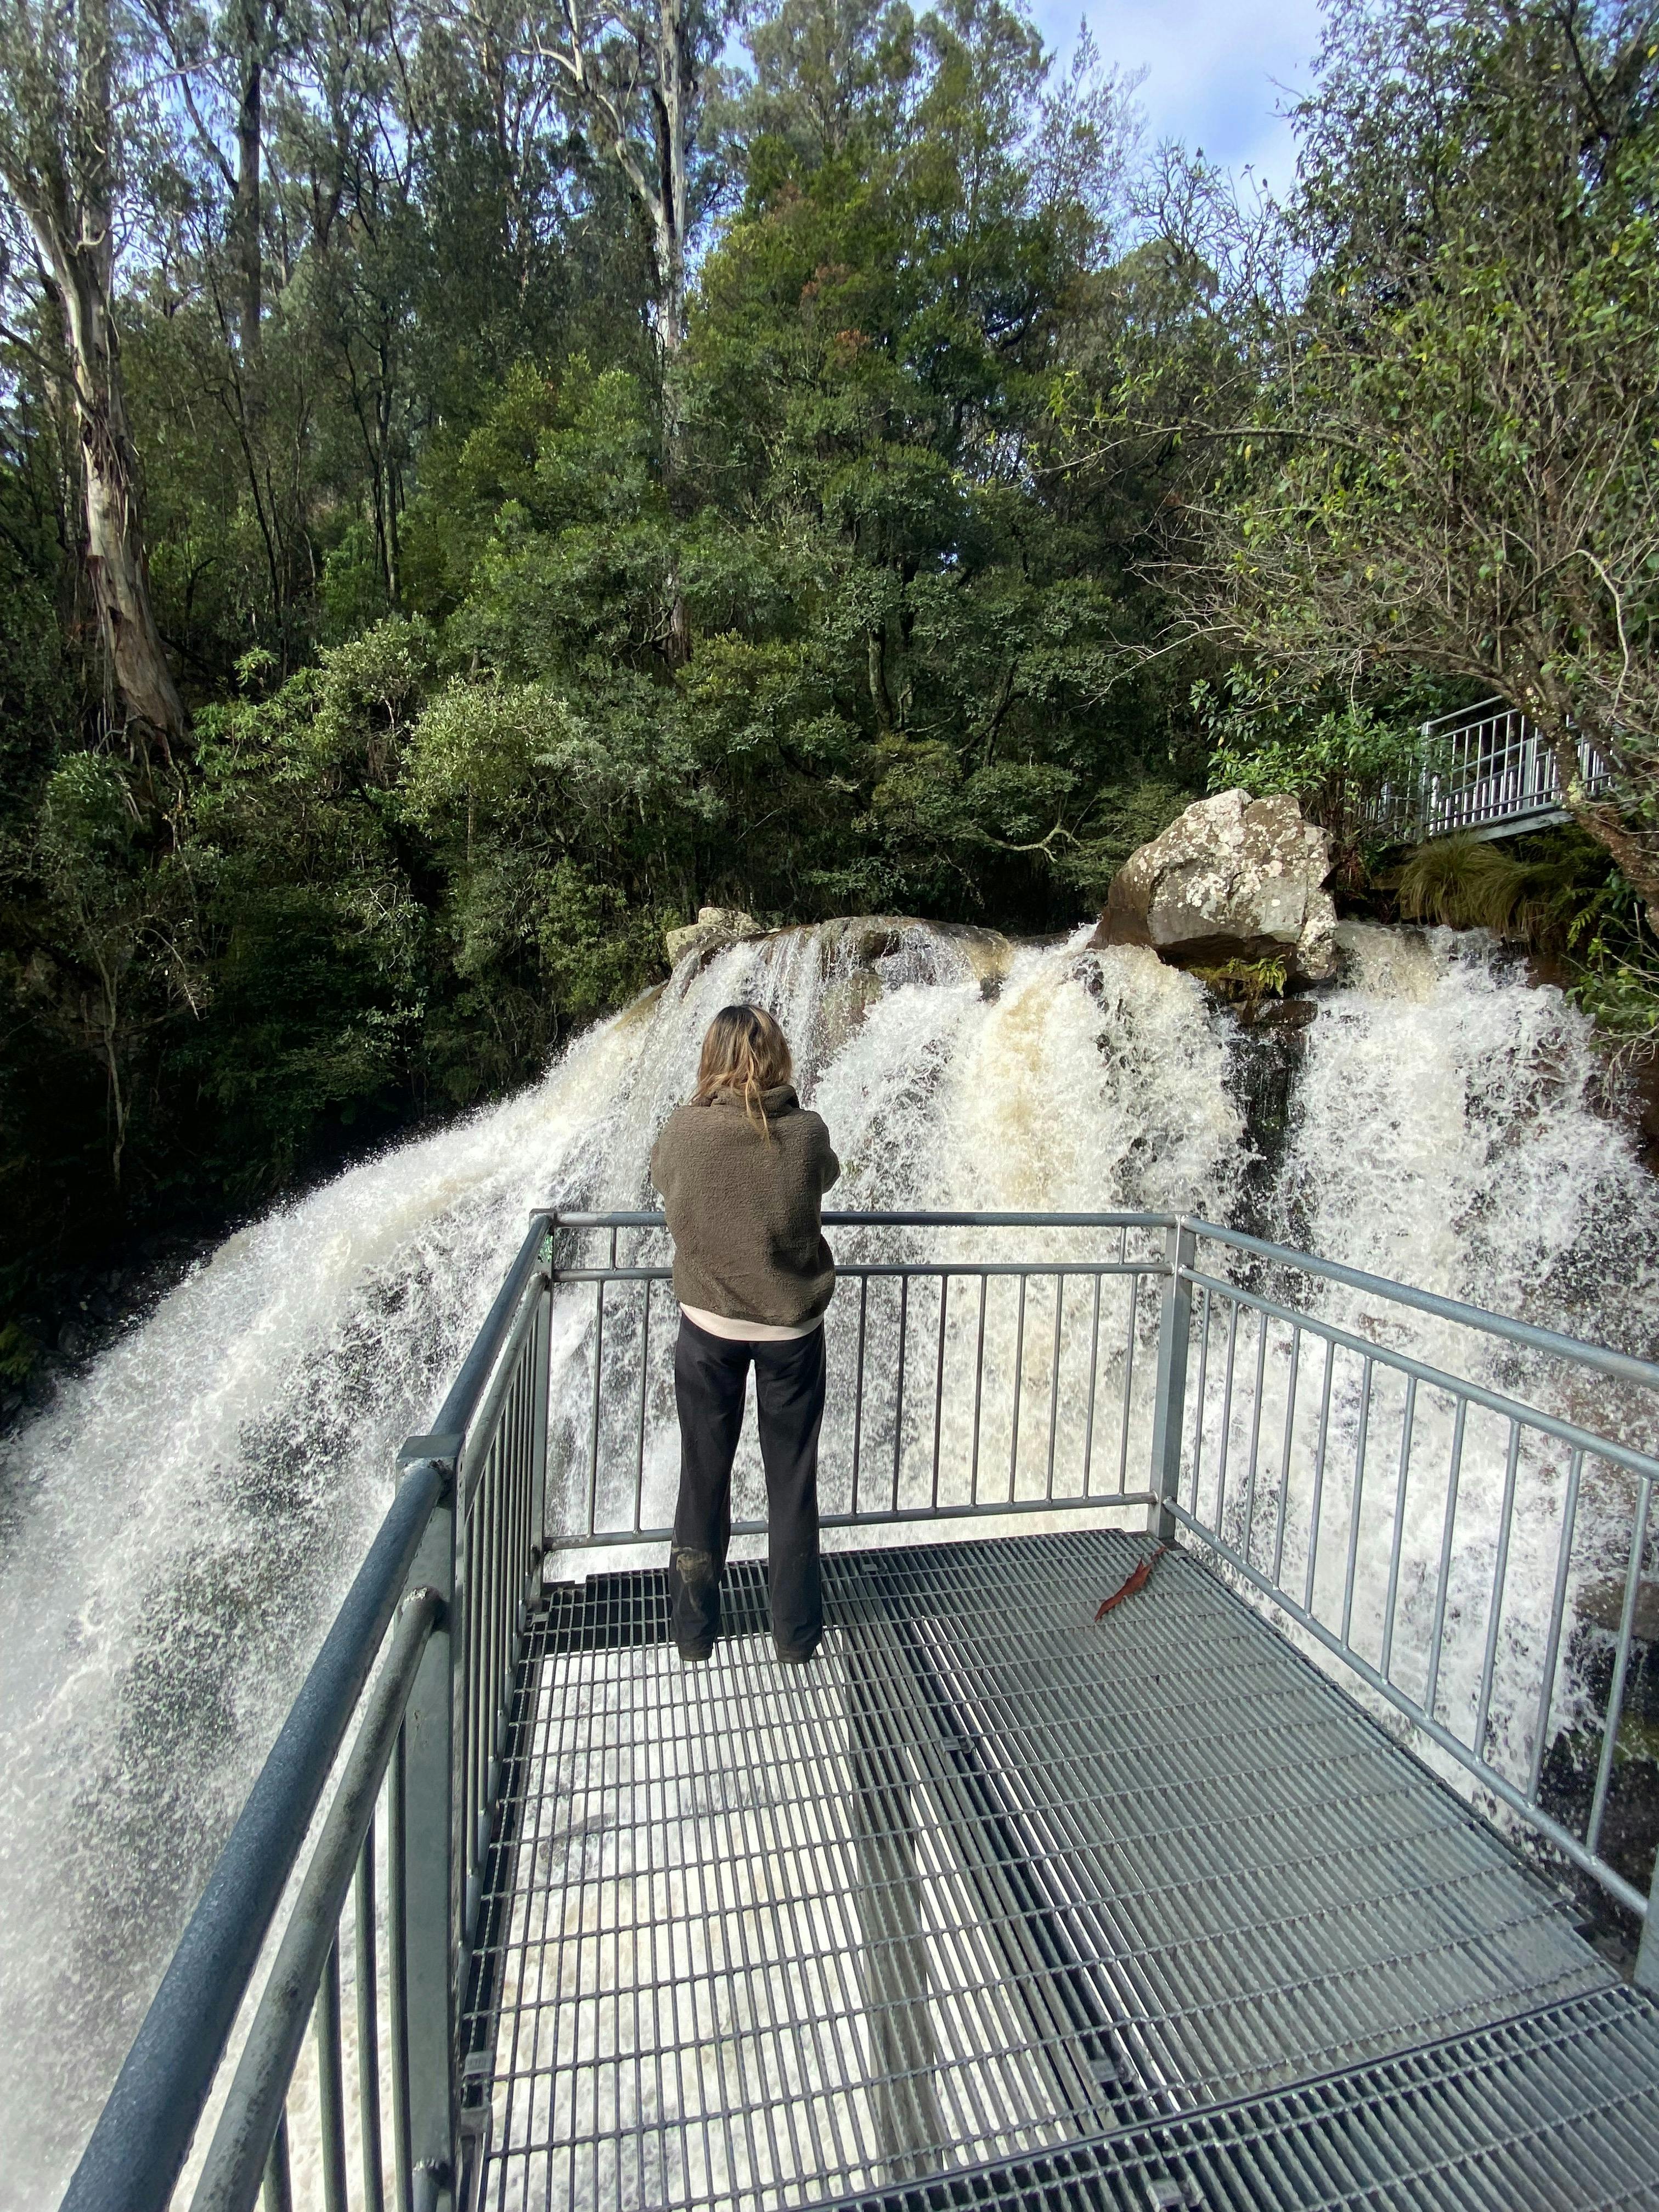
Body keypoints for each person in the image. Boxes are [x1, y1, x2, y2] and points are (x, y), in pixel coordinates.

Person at [649, 1003, 840, 1664]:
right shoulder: (806, 1132)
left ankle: (693, 1633)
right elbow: (825, 1178)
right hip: (791, 1331)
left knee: (703, 1477)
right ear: (776, 1055)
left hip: (707, 1328)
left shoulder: (684, 1130)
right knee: (791, 1484)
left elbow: (663, 1183)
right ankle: (795, 1637)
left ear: (713, 1056)